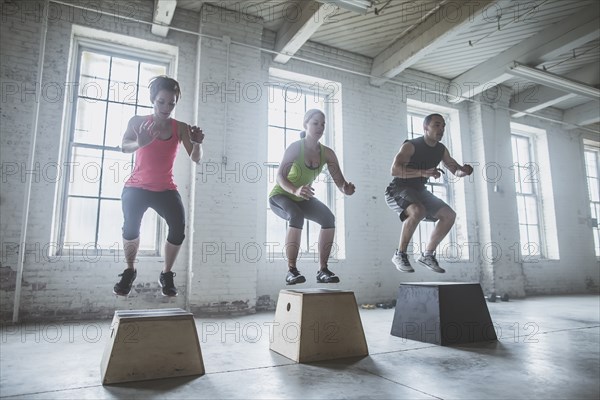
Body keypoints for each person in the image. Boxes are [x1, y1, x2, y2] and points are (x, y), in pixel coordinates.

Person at [113, 76, 204, 297]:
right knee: (131, 225)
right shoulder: (137, 122)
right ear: (153, 99)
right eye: (162, 101)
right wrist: (140, 143)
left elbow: (196, 159)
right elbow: (124, 146)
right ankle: (129, 270)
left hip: (165, 188)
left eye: (171, 103)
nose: (166, 107)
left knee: (178, 229)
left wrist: (198, 143)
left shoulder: (180, 128)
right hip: (136, 186)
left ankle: (166, 274)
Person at [269, 109, 355, 285]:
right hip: (281, 196)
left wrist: (346, 189)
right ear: (305, 125)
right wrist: (295, 191)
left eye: (323, 124)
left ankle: (323, 270)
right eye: (315, 123)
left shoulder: (328, 153)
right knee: (296, 215)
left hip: (303, 197)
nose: (320, 127)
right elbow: (280, 176)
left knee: (328, 218)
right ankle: (291, 270)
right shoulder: (295, 147)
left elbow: (340, 183)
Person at [385, 113, 473, 273]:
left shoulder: (441, 150)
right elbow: (395, 170)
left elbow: (455, 170)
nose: (441, 129)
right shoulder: (411, 145)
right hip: (398, 189)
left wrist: (464, 171)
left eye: (443, 126)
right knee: (418, 211)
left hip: (419, 191)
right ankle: (400, 254)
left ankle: (427, 255)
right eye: (437, 125)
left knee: (449, 215)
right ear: (426, 128)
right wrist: (423, 173)